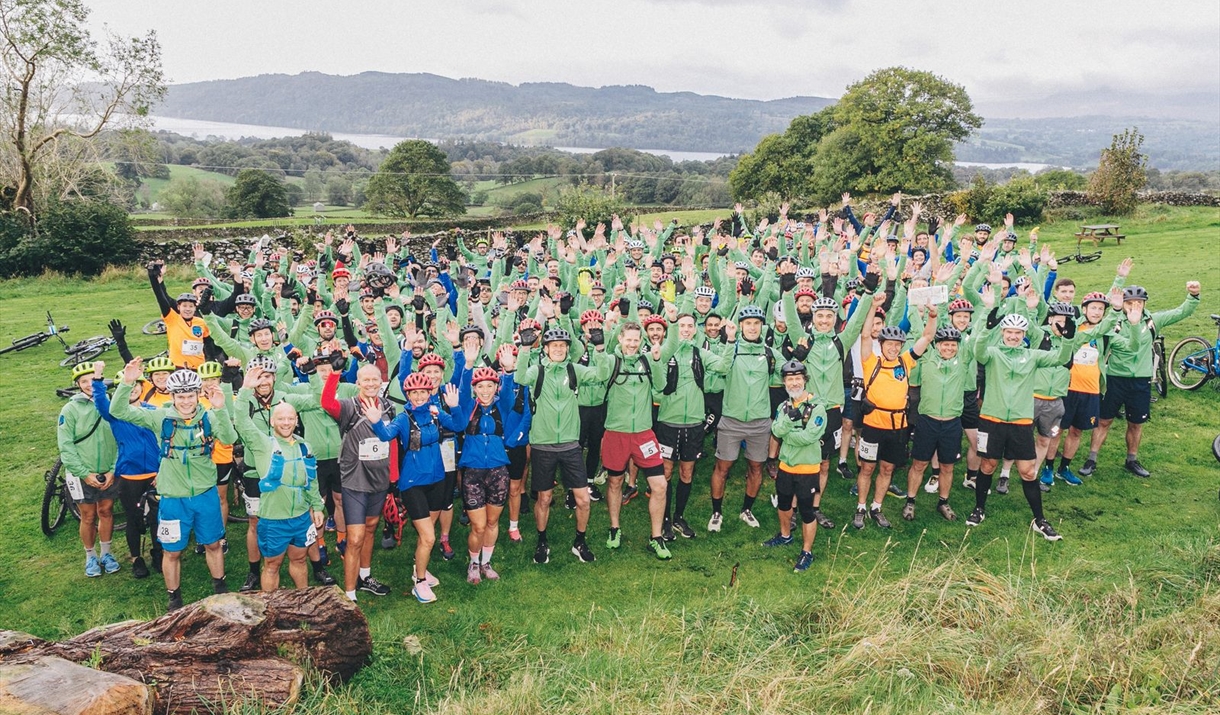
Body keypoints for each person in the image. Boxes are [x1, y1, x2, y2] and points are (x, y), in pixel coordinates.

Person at [110, 360, 239, 611]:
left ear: (197, 395)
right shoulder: (161, 418)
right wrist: (127, 383)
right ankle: (174, 597)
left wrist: (221, 409)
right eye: (180, 396)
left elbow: (230, 438)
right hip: (173, 499)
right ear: (172, 396)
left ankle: (219, 587)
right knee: (172, 552)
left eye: (190, 396)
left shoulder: (209, 416)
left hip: (205, 495)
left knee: (213, 544)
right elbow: (118, 411)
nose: (186, 402)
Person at [968, 287, 1077, 540]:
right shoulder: (993, 354)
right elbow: (977, 350)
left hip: (1020, 421)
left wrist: (1068, 338)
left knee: (1028, 471)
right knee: (988, 465)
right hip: (992, 420)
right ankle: (979, 509)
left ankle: (1039, 520)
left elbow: (1060, 358)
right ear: (1003, 333)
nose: (1014, 337)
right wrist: (988, 326)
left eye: (1018, 333)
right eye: (1009, 332)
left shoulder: (1033, 356)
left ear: (1024, 335)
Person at [366, 373, 468, 603]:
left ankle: (419, 568)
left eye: (423, 392)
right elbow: (386, 436)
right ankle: (419, 582)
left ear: (429, 392)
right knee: (429, 537)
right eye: (414, 393)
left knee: (426, 534)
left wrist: (455, 407)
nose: (419, 396)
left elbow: (459, 425)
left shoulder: (435, 414)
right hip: (413, 484)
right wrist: (375, 421)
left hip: (438, 480)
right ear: (408, 395)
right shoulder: (403, 419)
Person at [515, 326, 607, 565]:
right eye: (554, 345)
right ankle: (542, 541)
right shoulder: (538, 371)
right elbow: (520, 377)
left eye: (562, 346)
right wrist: (525, 349)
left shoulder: (574, 370)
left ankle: (580, 541)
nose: (558, 349)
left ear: (568, 349)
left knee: (583, 499)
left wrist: (599, 348)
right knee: (544, 499)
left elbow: (601, 375)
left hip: (570, 445)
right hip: (542, 445)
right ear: (545, 349)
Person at [1092, 282, 1200, 478]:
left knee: (1136, 423)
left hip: (1141, 380)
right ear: (1123, 304)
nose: (1134, 306)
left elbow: (1180, 312)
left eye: (1139, 303)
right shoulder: (1114, 322)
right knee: (1104, 420)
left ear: (1144, 304)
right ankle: (1091, 459)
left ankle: (1132, 460)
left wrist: (1193, 296)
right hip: (1115, 378)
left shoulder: (1153, 321)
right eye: (1130, 302)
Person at [233, 368, 326, 592]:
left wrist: (317, 506)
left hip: (301, 517)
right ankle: (270, 609)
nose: (286, 423)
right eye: (281, 419)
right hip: (273, 520)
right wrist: (245, 388)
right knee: (272, 565)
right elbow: (241, 420)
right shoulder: (262, 443)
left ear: (296, 420)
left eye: (291, 419)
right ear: (273, 421)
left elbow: (311, 480)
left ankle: (302, 601)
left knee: (299, 560)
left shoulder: (305, 446)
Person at [703, 304, 783, 533]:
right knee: (723, 467)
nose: (752, 327)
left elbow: (787, 372)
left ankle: (747, 509)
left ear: (761, 326)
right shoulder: (731, 349)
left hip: (760, 423)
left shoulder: (768, 352)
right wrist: (728, 342)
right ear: (740, 326)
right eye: (748, 323)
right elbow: (719, 368)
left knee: (756, 468)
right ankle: (716, 512)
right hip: (731, 420)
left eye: (756, 323)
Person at [321, 358, 395, 602]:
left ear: (381, 382)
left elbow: (392, 441)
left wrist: (393, 477)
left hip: (379, 479)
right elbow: (326, 403)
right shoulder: (349, 406)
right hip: (354, 480)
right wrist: (335, 373)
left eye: (375, 379)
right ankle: (349, 594)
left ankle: (365, 577)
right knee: (354, 538)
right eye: (366, 379)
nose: (371, 383)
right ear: (358, 383)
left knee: (371, 528)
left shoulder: (388, 407)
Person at [853, 314, 936, 529]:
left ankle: (876, 506)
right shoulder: (871, 362)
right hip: (873, 425)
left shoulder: (905, 361)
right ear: (881, 345)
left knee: (888, 469)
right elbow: (864, 335)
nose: (894, 348)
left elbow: (927, 337)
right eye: (889, 344)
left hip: (898, 427)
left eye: (897, 344)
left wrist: (933, 315)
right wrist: (871, 307)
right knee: (867, 469)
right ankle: (861, 506)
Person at [90, 362, 162, 578]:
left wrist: (162, 470)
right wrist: (97, 378)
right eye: (128, 387)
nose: (133, 390)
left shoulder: (152, 412)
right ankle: (136, 558)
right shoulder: (115, 413)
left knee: (157, 517)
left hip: (154, 473)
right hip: (129, 474)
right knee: (134, 518)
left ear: (142, 388)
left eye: (137, 386)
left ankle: (158, 552)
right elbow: (101, 403)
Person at [458, 355, 521, 583]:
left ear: (496, 387)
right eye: (480, 386)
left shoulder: (501, 406)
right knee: (479, 525)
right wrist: (467, 365)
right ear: (475, 389)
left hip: (498, 471)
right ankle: (473, 563)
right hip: (473, 472)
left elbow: (508, 392)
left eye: (490, 386)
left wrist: (509, 370)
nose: (485, 391)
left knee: (493, 523)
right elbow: (462, 389)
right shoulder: (468, 406)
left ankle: (486, 562)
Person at [57, 361, 120, 578]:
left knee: (106, 511)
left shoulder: (111, 403)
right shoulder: (70, 409)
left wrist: (113, 469)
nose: (89, 385)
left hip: (109, 471)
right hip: (83, 472)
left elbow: (122, 437)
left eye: (92, 380)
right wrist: (84, 473)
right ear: (77, 384)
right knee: (88, 515)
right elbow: (65, 446)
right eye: (84, 381)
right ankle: (90, 555)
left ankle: (107, 553)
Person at [765, 361, 827, 572]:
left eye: (797, 379)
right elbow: (775, 429)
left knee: (807, 511)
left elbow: (810, 436)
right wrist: (790, 423)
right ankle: (785, 536)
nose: (794, 383)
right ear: (784, 383)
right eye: (790, 379)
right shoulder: (783, 407)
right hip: (786, 466)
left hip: (807, 469)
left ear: (804, 380)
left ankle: (807, 551)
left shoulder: (817, 407)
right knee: (784, 505)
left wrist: (787, 432)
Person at [905, 327, 970, 521]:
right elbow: (923, 334)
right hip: (927, 421)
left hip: (952, 423)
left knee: (947, 466)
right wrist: (931, 314)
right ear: (937, 345)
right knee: (919, 464)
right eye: (945, 345)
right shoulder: (927, 359)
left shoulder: (963, 361)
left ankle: (943, 502)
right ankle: (910, 501)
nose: (949, 348)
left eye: (953, 345)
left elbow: (978, 340)